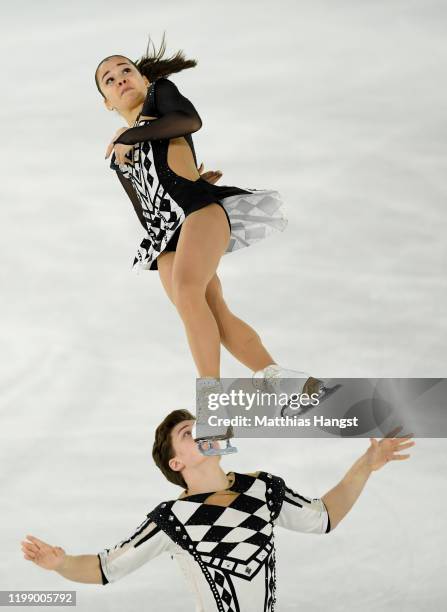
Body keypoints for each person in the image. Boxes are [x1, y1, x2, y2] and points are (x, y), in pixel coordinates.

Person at [94, 35, 324, 449]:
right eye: (108, 80)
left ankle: (214, 404)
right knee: (208, 313)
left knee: (187, 290)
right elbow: (143, 202)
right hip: (163, 235)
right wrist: (129, 146)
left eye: (125, 69)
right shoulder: (118, 151)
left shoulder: (160, 98)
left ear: (143, 78)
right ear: (107, 102)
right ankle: (283, 380)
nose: (120, 78)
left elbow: (188, 122)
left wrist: (132, 139)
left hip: (198, 211)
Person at [21, 410, 415, 611]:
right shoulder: (171, 520)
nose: (203, 431)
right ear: (177, 464)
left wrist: (368, 461)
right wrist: (62, 563)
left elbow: (324, 516)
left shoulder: (261, 487)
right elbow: (106, 568)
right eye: (188, 434)